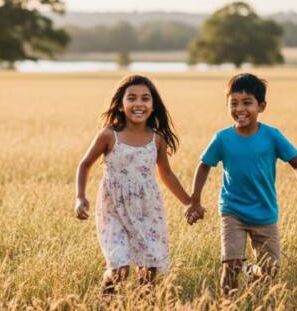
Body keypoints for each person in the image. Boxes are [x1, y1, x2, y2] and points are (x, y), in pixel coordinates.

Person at [185, 73, 297, 295]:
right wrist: (195, 201)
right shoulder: (222, 138)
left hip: (265, 212)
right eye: (234, 103)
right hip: (232, 211)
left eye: (247, 103)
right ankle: (227, 308)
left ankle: (252, 274)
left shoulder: (272, 136)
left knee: (271, 269)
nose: (240, 109)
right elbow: (203, 166)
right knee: (231, 264)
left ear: (262, 106)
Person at [75, 74, 202, 297]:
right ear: (121, 105)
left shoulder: (157, 138)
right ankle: (107, 309)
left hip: (147, 210)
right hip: (114, 209)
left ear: (153, 106)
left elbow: (167, 174)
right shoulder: (109, 135)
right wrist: (80, 197)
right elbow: (84, 164)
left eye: (145, 99)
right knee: (119, 268)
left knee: (148, 268)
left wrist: (189, 202)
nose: (139, 103)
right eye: (131, 98)